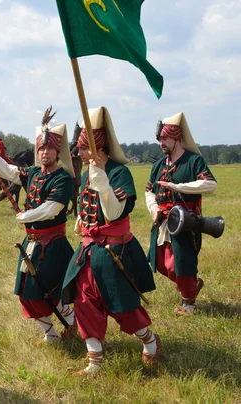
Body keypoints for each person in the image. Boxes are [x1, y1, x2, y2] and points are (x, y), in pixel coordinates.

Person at [61, 106, 160, 374]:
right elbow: (86, 207)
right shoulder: (85, 175)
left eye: (83, 149)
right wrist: (81, 221)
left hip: (114, 251)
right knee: (83, 301)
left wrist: (100, 178)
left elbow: (115, 212)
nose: (78, 154)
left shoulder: (119, 173)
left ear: (98, 148)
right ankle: (95, 361)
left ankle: (150, 342)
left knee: (122, 306)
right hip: (88, 250)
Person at [0, 122, 77, 343]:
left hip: (53, 245)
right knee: (26, 293)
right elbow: (7, 170)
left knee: (47, 292)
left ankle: (73, 321)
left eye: (49, 149)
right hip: (31, 243)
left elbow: (52, 208)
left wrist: (25, 216)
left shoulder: (63, 178)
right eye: (41, 148)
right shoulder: (33, 173)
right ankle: (51, 335)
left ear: (58, 152)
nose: (44, 152)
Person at [145, 112, 217, 315]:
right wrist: (154, 208)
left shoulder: (193, 160)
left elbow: (211, 184)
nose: (161, 143)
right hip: (163, 220)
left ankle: (188, 305)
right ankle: (192, 286)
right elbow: (149, 190)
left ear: (177, 138)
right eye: (159, 139)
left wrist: (179, 187)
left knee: (182, 262)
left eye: (165, 139)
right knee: (159, 261)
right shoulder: (159, 165)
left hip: (185, 221)